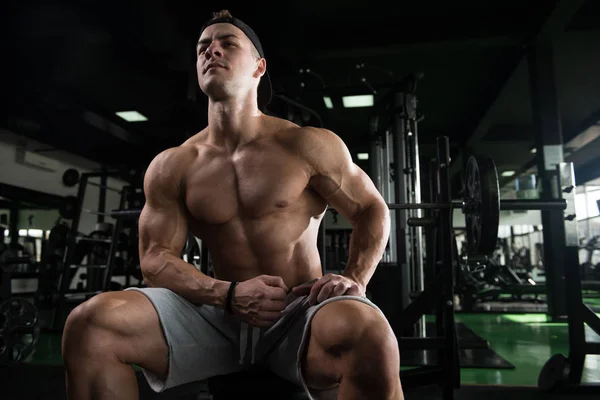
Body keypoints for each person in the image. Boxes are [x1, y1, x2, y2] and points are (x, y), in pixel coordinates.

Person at [62, 9, 404, 400]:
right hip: (219, 313)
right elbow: (155, 258)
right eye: (203, 47)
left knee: (369, 331)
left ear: (259, 67)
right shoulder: (174, 164)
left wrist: (355, 279)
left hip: (299, 314)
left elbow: (371, 209)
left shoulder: (306, 145)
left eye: (227, 43)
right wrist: (226, 294)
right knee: (90, 324)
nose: (212, 52)